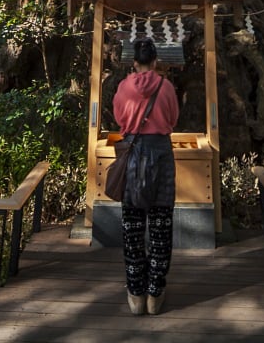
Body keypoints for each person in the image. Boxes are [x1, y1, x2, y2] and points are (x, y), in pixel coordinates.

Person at [112, 37, 180, 316]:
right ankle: (155, 293)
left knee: (133, 228)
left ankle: (135, 293)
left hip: (133, 155)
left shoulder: (123, 87)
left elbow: (119, 118)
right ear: (155, 62)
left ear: (133, 62)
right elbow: (173, 119)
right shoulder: (167, 87)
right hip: (161, 156)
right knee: (161, 228)